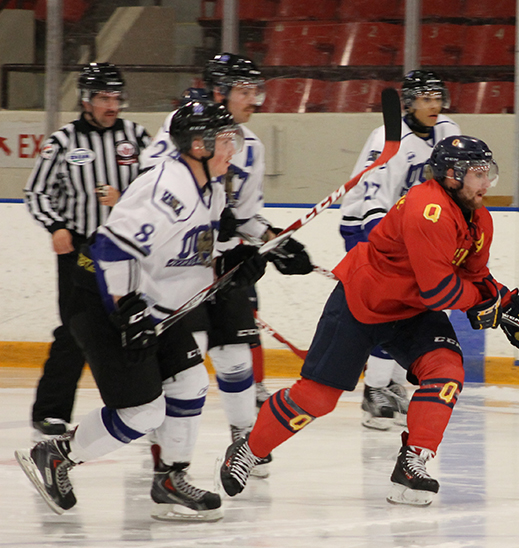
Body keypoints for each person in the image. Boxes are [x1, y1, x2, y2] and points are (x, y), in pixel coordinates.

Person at [219, 136, 519, 506]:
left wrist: (506, 301)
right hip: (364, 302)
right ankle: (247, 450)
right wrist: (482, 305)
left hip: (411, 312)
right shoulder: (429, 210)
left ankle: (413, 464)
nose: (486, 182)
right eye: (477, 174)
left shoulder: (479, 217)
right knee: (316, 399)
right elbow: (441, 293)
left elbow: (475, 275)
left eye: (488, 172)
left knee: (446, 372)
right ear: (451, 176)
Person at [15, 101, 267, 521]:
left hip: (147, 305)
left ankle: (170, 478)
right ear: (200, 145)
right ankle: (58, 456)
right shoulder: (168, 188)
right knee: (144, 410)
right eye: (226, 141)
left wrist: (235, 265)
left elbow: (193, 255)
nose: (233, 150)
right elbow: (109, 249)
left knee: (189, 381)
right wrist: (126, 309)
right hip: (102, 299)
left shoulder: (212, 188)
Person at [140, 53, 312, 477]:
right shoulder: (181, 127)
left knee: (236, 355)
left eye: (257, 90)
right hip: (181, 265)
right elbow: (153, 184)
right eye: (244, 90)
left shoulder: (251, 145)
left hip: (226, 264)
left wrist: (277, 242)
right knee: (188, 356)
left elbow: (248, 215)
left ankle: (245, 442)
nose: (254, 99)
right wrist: (214, 217)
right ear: (219, 92)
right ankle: (166, 445)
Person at [23, 63, 150, 442]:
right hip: (81, 248)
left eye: (116, 98)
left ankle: (142, 407)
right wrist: (56, 226)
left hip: (129, 247)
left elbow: (158, 188)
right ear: (85, 99)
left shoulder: (138, 137)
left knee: (136, 323)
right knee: (77, 329)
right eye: (103, 98)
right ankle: (50, 411)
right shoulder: (62, 142)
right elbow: (37, 192)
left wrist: (124, 198)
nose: (112, 105)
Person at [340, 69, 461, 430]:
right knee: (393, 307)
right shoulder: (389, 138)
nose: (434, 105)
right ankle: (373, 390)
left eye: (438, 97)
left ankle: (392, 382)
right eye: (426, 99)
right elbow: (373, 199)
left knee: (425, 307)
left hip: (414, 230)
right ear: (408, 103)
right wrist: (389, 249)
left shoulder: (448, 133)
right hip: (368, 225)